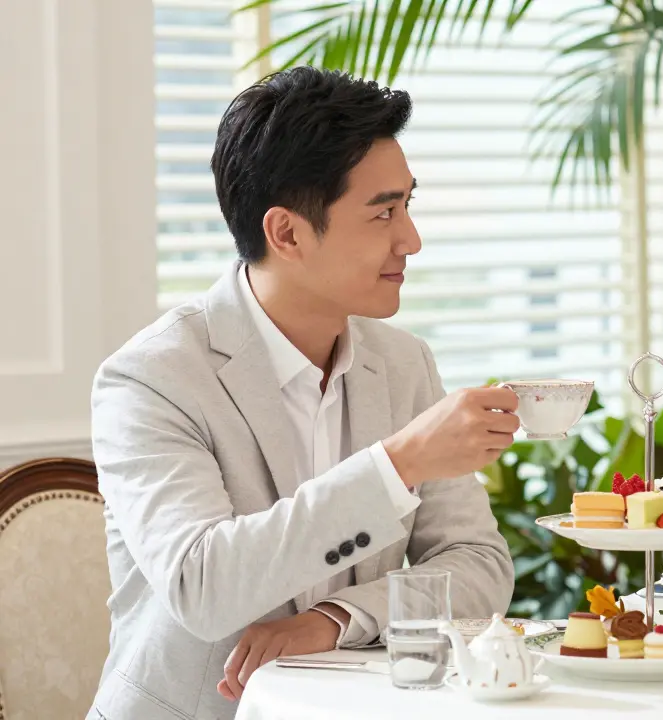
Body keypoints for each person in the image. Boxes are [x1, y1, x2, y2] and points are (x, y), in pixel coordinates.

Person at [88, 67, 518, 720]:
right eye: (384, 212)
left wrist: (337, 617)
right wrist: (398, 464)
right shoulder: (152, 380)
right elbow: (203, 587)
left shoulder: (403, 364)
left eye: (408, 205)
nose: (412, 239)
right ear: (287, 233)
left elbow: (479, 565)